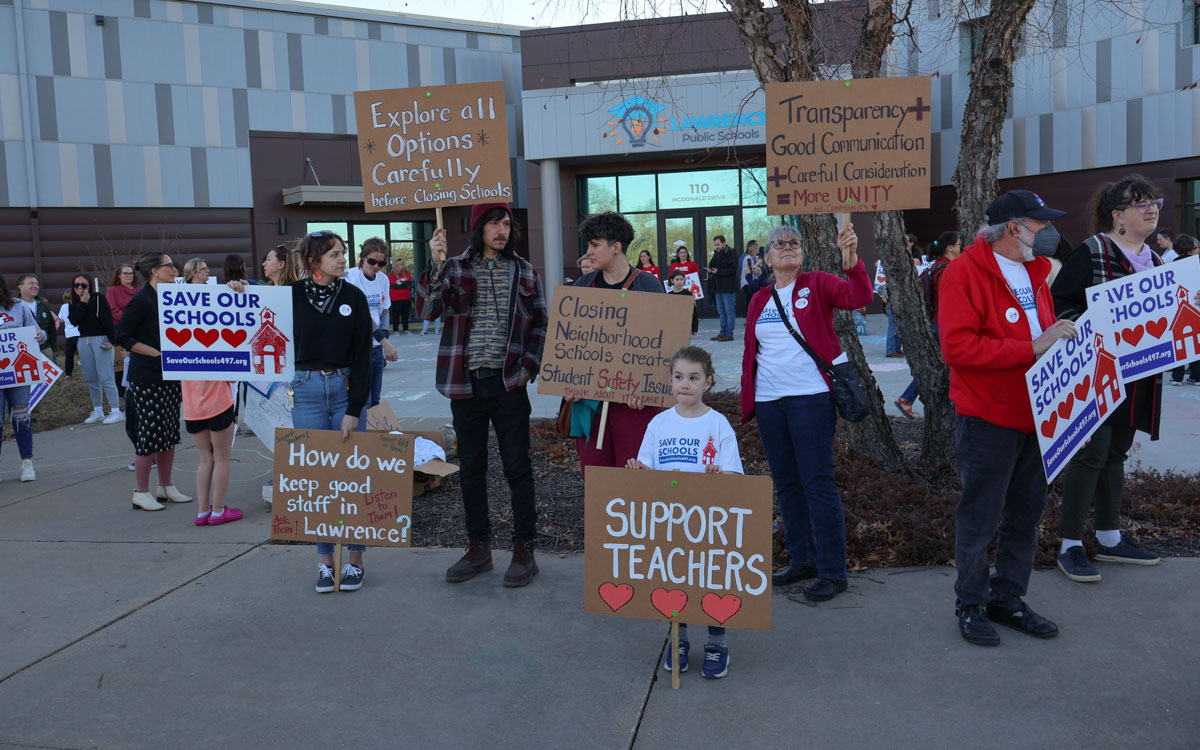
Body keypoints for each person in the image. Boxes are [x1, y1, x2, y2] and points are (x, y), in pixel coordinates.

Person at [940, 189, 1076, 646]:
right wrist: (1032, 347)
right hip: (988, 417)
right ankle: (972, 603)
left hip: (1039, 414)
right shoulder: (964, 272)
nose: (1048, 233)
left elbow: (1041, 333)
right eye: (1040, 225)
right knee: (980, 516)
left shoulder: (1036, 271)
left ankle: (1009, 598)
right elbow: (957, 348)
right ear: (1014, 227)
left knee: (1025, 515)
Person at [418, 204, 548, 588]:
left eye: (507, 223)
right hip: (465, 383)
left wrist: (528, 367)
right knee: (472, 469)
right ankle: (479, 548)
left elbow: (540, 322)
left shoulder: (524, 270)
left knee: (517, 468)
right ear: (479, 228)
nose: (502, 230)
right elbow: (428, 307)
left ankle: (524, 548)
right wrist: (436, 261)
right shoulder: (456, 267)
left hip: (509, 384)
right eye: (494, 223)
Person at [740, 222, 870, 603]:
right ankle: (802, 558)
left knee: (817, 482)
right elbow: (753, 352)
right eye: (777, 244)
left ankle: (833, 570)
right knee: (788, 482)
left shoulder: (819, 284)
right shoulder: (759, 299)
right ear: (765, 257)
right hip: (769, 402)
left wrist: (853, 259)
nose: (786, 247)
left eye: (793, 243)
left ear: (802, 252)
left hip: (810, 399)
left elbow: (860, 295)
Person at [1051, 176, 1167, 583]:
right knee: (1091, 453)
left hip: (1137, 375)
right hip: (1095, 372)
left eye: (1154, 202)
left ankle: (1109, 536)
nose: (1151, 209)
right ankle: (1070, 545)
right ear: (1117, 216)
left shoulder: (1155, 260)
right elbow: (1060, 303)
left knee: (1115, 453)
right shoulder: (1093, 251)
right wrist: (1083, 333)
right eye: (1141, 204)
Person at [626, 346, 742, 679]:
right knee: (675, 583)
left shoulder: (717, 424)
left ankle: (717, 645)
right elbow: (646, 467)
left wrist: (721, 477)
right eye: (679, 377)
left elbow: (734, 473)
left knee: (710, 583)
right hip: (670, 522)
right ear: (670, 381)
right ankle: (679, 640)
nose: (685, 385)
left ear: (708, 382)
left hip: (708, 521)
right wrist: (637, 469)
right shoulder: (658, 423)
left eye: (693, 378)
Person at [289, 230, 374, 592]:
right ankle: (325, 562)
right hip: (305, 391)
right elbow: (253, 320)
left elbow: (363, 357)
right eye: (334, 254)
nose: (342, 259)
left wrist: (355, 409)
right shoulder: (290, 296)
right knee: (316, 479)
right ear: (313, 262)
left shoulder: (353, 296)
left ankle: (354, 561)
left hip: (344, 391)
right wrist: (238, 295)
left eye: (343, 252)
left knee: (352, 478)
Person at [572, 212, 666, 473]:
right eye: (589, 245)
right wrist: (570, 382)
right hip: (589, 405)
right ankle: (601, 517)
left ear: (616, 247)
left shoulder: (649, 286)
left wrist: (648, 388)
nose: (589, 251)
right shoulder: (582, 287)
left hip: (636, 405)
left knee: (634, 477)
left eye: (595, 244)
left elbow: (664, 347)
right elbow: (570, 345)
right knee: (596, 477)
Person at [114, 252, 193, 511]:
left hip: (170, 375)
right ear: (154, 271)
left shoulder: (170, 297)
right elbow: (122, 335)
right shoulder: (142, 300)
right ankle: (141, 490)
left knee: (168, 432)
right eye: (169, 266)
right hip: (147, 377)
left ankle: (165, 485)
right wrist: (155, 353)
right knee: (149, 433)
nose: (174, 270)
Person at [895, 231, 962, 418]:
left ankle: (907, 399)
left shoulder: (938, 266)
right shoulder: (945, 269)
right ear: (949, 247)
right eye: (958, 244)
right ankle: (906, 399)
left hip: (937, 322)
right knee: (942, 365)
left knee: (937, 365)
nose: (960, 247)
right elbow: (949, 300)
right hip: (942, 324)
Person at [344, 238, 400, 420]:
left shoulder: (383, 279)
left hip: (376, 347)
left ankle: (372, 441)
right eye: (372, 261)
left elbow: (384, 311)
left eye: (381, 263)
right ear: (363, 258)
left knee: (375, 400)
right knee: (363, 399)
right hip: (359, 346)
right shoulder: (353, 278)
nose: (376, 266)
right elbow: (363, 317)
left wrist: (384, 337)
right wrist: (385, 343)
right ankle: (361, 441)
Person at [67, 274, 123, 425]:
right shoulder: (74, 302)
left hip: (101, 338)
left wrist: (112, 340)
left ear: (89, 286)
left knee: (106, 376)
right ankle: (98, 409)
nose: (80, 288)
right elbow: (74, 320)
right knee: (91, 377)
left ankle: (115, 410)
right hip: (84, 340)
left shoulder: (98, 299)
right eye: (77, 285)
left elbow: (108, 320)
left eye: (83, 285)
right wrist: (82, 304)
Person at [0, 276, 38, 482]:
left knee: (21, 417)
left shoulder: (17, 306)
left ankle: (27, 462)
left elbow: (36, 330)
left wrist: (39, 335)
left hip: (18, 372)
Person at [1168, 235, 1200, 385]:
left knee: (1179, 342)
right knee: (1195, 342)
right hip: (1195, 306)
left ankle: (1177, 376)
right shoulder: (1196, 262)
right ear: (1191, 248)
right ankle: (1197, 375)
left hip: (1178, 306)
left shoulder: (1173, 264)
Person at [708, 235, 739, 341]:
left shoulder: (731, 253)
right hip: (718, 287)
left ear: (724, 243)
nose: (716, 247)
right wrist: (709, 269)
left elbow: (733, 269)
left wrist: (718, 272)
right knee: (721, 312)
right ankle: (722, 332)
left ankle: (729, 334)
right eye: (715, 245)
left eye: (718, 244)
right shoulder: (716, 254)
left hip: (728, 287)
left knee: (729, 311)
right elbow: (711, 264)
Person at [16, 274, 56, 354]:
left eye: (37, 284)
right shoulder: (14, 307)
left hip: (45, 350)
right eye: (31, 283)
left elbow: (51, 328)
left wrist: (52, 349)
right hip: (24, 351)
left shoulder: (43, 305)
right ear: (20, 287)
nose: (36, 286)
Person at [667, 269, 699, 334]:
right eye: (677, 279)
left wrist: (694, 329)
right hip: (673, 325)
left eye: (681, 279)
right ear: (672, 280)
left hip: (685, 325)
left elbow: (693, 312)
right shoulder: (669, 295)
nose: (679, 282)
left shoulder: (688, 294)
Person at [388, 258, 414, 333]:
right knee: (396, 315)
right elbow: (394, 285)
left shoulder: (406, 273)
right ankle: (396, 329)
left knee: (405, 314)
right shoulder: (391, 274)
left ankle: (406, 329)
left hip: (406, 297)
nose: (403, 266)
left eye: (403, 264)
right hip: (396, 298)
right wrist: (404, 284)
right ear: (397, 266)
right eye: (401, 265)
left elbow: (409, 283)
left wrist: (401, 284)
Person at [59, 291, 78, 378]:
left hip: (69, 334)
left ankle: (68, 373)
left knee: (69, 355)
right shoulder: (77, 305)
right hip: (78, 333)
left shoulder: (63, 307)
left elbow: (61, 319)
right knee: (83, 353)